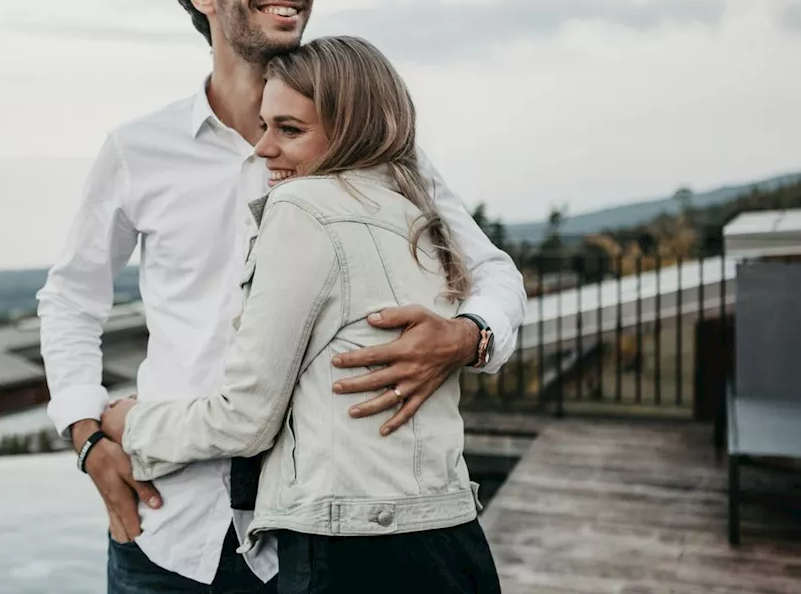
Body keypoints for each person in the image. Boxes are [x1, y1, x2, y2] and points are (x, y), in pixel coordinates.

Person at [37, 0, 525, 593]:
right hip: (170, 527)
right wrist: (86, 436)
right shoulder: (138, 149)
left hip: (321, 542)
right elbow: (71, 300)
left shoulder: (377, 153)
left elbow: (494, 272)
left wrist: (469, 336)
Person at [101, 35, 504, 593]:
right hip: (451, 534)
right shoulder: (418, 212)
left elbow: (245, 418)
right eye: (266, 126)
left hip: (350, 553)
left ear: (353, 129)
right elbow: (495, 273)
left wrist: (129, 424)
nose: (263, 149)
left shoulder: (300, 208)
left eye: (289, 130)